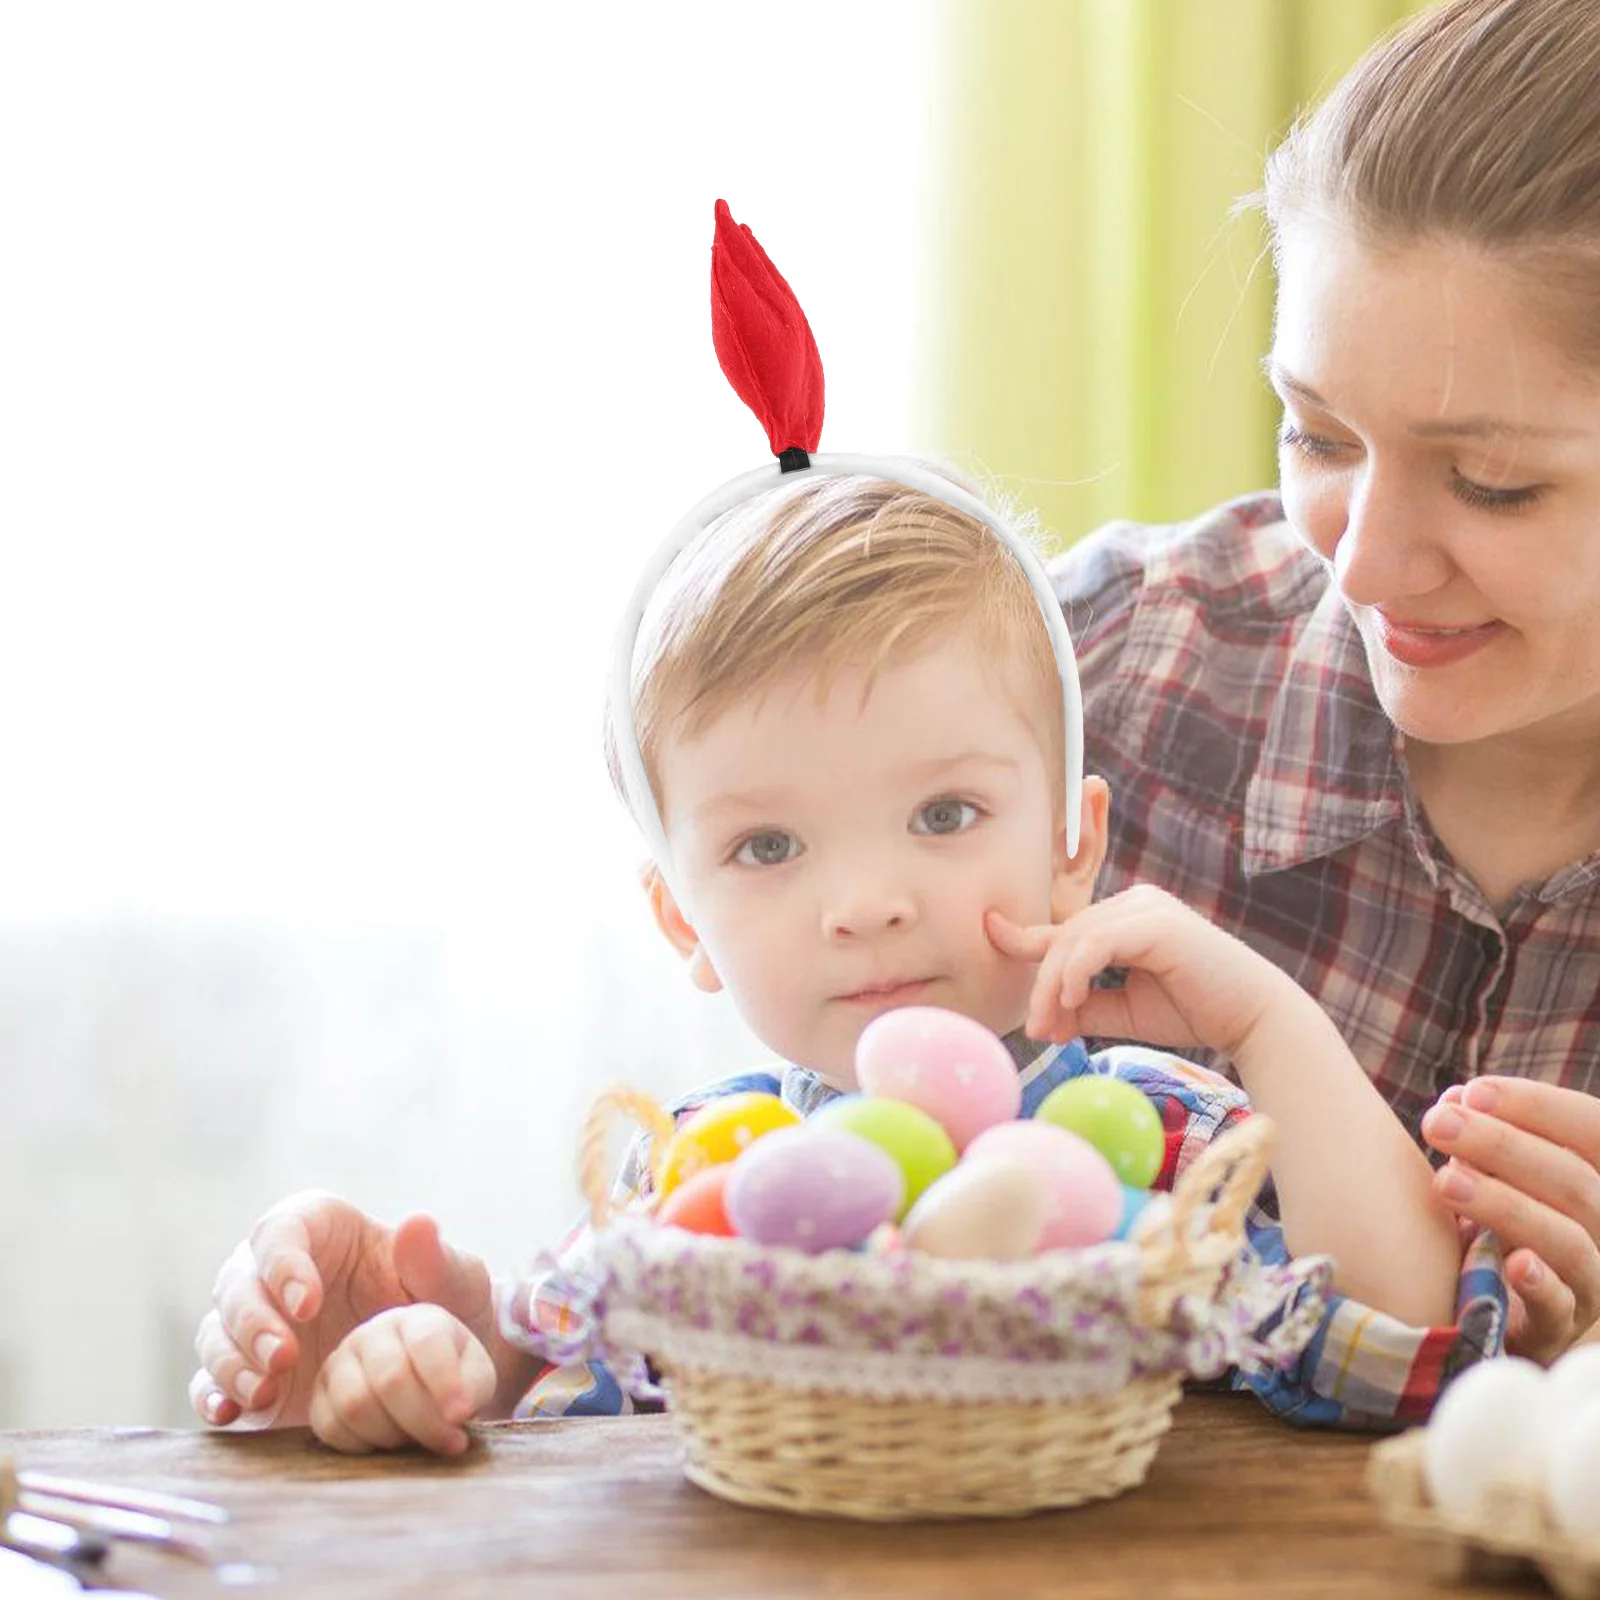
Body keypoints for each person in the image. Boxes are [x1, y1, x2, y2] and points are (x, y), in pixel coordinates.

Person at [189, 470, 1497, 1454]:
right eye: (768, 846)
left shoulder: (1163, 1132)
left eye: (942, 816)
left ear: (1070, 844)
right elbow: (572, 1406)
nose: (866, 904)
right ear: (682, 922)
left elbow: (1402, 1359)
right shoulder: (705, 1167)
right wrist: (443, 1347)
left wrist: (1264, 1020)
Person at [1050, 0, 1600, 1366]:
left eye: (1493, 484)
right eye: (1317, 433)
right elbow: (776, 1185)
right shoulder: (1097, 677)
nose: (1361, 566)